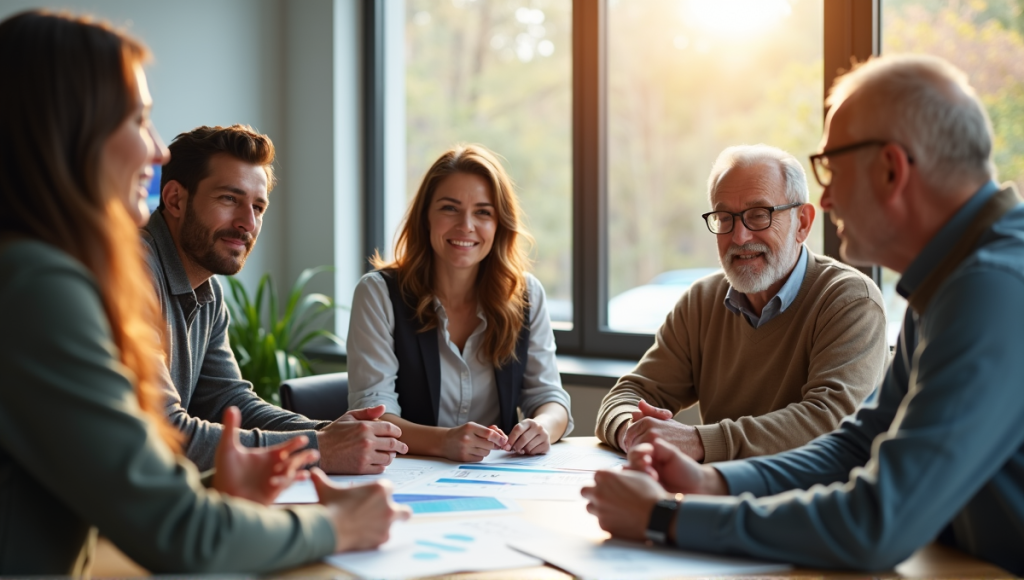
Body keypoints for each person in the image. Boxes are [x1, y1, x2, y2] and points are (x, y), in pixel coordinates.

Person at [582, 54, 1024, 575]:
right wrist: (711, 483)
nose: (830, 198)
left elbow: (875, 523)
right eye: (726, 218)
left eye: (831, 169)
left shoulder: (993, 288)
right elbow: (858, 443)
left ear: (891, 169)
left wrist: (666, 519)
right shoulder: (950, 283)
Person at [0, 11, 408, 574]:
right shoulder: (42, 284)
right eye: (138, 119)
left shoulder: (53, 270)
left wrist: (315, 438)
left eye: (258, 206)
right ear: (68, 129)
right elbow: (178, 526)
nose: (156, 149)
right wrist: (342, 521)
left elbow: (222, 411)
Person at [596, 145, 889, 462]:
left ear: (802, 223)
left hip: (810, 503)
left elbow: (829, 422)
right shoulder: (701, 302)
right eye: (725, 218)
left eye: (759, 215)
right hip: (717, 495)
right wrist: (633, 431)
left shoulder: (850, 300)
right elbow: (627, 396)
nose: (739, 237)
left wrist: (697, 441)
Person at [146, 125, 407, 473]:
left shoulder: (207, 291)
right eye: (229, 199)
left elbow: (229, 403)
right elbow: (161, 434)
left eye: (258, 206)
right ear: (175, 199)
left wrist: (325, 433)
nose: (247, 223)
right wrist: (319, 449)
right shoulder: (132, 272)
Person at [347, 144, 573, 462]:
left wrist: (542, 427)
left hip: (499, 480)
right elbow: (372, 414)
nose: (466, 225)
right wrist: (445, 442)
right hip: (404, 477)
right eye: (450, 208)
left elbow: (549, 398)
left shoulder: (527, 295)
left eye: (483, 212)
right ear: (426, 217)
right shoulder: (378, 294)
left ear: (499, 224)